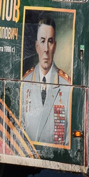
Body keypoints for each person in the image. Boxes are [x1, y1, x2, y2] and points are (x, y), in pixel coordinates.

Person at [20, 16, 72, 147]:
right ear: (37, 46)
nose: (46, 49)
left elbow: (68, 135)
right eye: (42, 41)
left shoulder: (66, 85)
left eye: (50, 42)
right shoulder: (25, 82)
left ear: (55, 46)